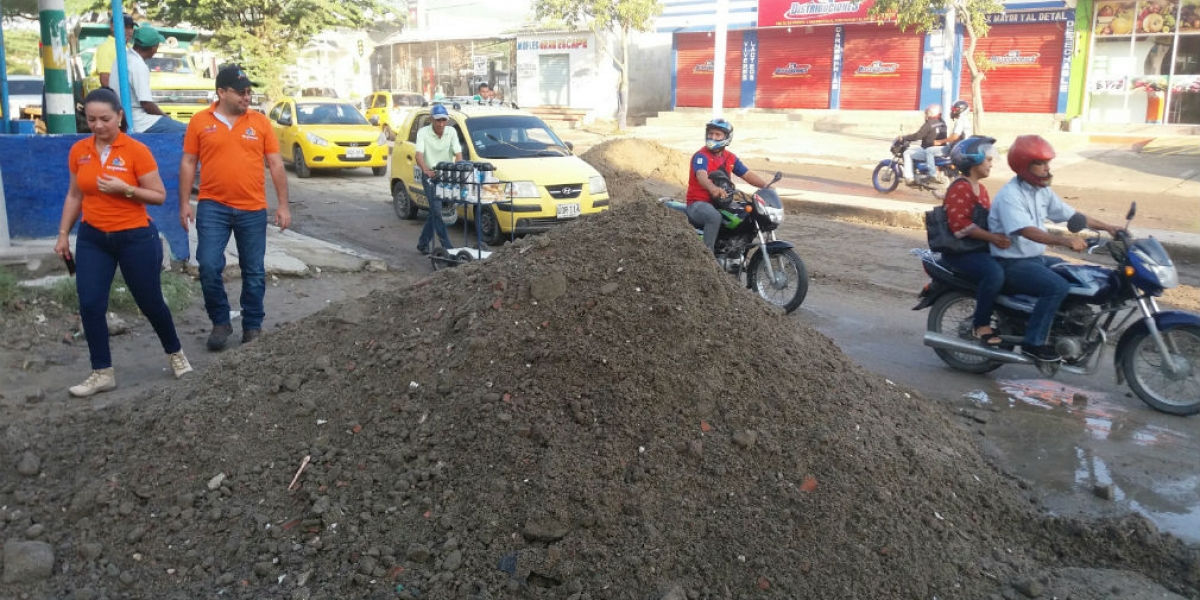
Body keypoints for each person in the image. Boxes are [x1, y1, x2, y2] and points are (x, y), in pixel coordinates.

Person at [53, 88, 193, 398]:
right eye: (91, 119)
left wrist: (125, 188)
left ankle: (175, 354)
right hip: (93, 238)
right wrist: (63, 234)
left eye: (105, 118)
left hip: (135, 237)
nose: (98, 125)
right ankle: (101, 372)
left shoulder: (135, 150)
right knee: (90, 303)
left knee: (150, 301)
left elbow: (158, 196)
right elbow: (75, 194)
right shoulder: (79, 151)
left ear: (119, 116)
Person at [179, 64, 290, 351]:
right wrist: (183, 204)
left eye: (249, 91)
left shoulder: (261, 123)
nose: (247, 96)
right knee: (207, 265)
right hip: (212, 206)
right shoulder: (200, 122)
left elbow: (276, 164)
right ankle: (220, 321)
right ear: (221, 92)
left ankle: (252, 326)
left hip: (252, 208)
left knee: (253, 270)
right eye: (241, 92)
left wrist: (283, 205)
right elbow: (189, 162)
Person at [989, 135, 1122, 362]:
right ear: (1024, 166)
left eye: (1047, 163)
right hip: (1012, 263)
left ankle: (1062, 330)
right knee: (1056, 287)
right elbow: (1026, 230)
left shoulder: (1041, 191)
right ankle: (1033, 343)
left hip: (1035, 259)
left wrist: (1109, 227)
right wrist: (1065, 241)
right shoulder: (1010, 196)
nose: (1047, 169)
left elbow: (1071, 215)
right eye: (1040, 164)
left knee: (1079, 276)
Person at [939, 136, 1009, 346]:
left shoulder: (982, 189)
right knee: (994, 274)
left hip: (977, 248)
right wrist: (993, 238)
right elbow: (960, 226)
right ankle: (981, 325)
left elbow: (988, 220)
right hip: (960, 252)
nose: (991, 163)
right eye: (987, 159)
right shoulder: (961, 187)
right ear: (973, 160)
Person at [685, 118, 770, 254]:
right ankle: (707, 257)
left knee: (748, 214)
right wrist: (712, 188)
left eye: (717, 135)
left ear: (727, 137)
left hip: (721, 203)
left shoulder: (730, 158)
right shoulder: (701, 156)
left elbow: (746, 174)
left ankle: (733, 250)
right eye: (710, 133)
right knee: (714, 217)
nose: (712, 137)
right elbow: (701, 175)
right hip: (698, 203)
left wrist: (766, 186)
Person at [414, 103, 462, 255]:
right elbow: (419, 155)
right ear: (432, 120)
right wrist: (426, 170)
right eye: (438, 120)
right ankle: (447, 247)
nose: (441, 124)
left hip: (446, 175)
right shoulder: (423, 132)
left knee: (436, 213)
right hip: (431, 176)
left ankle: (422, 243)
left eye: (443, 120)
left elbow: (458, 154)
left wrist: (458, 169)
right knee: (437, 212)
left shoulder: (451, 132)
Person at [125, 25, 189, 134]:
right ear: (154, 48)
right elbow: (146, 104)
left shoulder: (124, 57)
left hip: (126, 117)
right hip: (139, 121)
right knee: (188, 130)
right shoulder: (138, 65)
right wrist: (166, 117)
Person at [898, 103, 947, 186]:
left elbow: (918, 136)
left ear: (931, 113)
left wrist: (904, 137)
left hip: (928, 149)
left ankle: (909, 177)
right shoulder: (942, 122)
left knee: (907, 153)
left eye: (928, 113)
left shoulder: (929, 124)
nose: (926, 115)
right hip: (940, 150)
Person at [926, 100, 973, 178]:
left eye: (955, 109)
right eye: (952, 109)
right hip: (960, 147)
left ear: (961, 110)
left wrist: (940, 141)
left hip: (956, 148)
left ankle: (932, 175)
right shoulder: (964, 120)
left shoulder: (961, 121)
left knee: (929, 151)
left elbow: (955, 136)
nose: (952, 111)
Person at [94, 13, 136, 93]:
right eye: (125, 27)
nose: (129, 31)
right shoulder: (107, 47)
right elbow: (105, 80)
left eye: (131, 27)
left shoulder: (128, 47)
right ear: (112, 27)